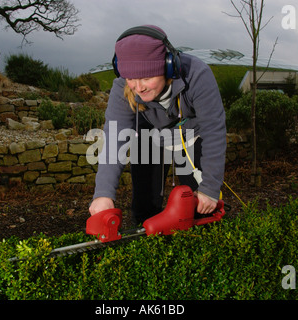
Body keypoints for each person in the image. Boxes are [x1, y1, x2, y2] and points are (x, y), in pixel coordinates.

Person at [89, 25, 226, 225]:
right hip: (149, 134)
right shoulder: (122, 88)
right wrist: (103, 193)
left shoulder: (198, 75)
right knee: (144, 205)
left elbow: (214, 131)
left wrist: (210, 188)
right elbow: (114, 137)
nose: (139, 87)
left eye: (146, 77)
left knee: (201, 205)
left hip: (191, 133)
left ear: (168, 66)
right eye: (131, 79)